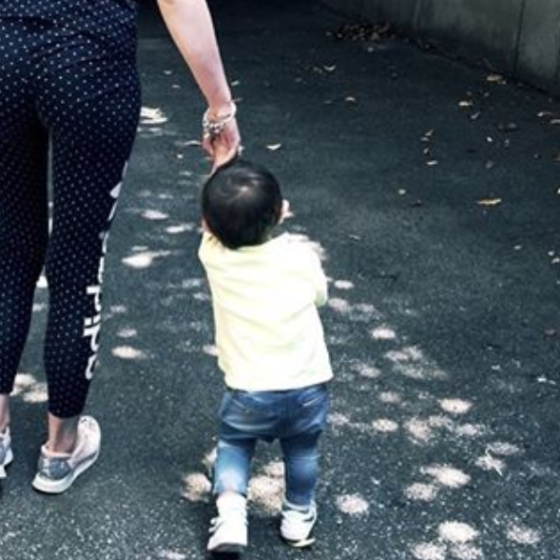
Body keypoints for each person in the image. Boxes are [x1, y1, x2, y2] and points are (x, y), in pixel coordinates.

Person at [0, 0, 240, 493]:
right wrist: (220, 108)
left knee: (6, 255)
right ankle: (60, 450)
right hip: (89, 65)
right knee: (78, 260)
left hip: (5, 53)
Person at [198, 159, 333, 553]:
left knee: (235, 447)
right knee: (303, 452)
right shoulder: (300, 256)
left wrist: (219, 161)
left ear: (209, 225)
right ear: (281, 212)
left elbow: (212, 219)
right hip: (307, 384)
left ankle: (231, 515)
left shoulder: (215, 258)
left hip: (248, 389)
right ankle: (297, 516)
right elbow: (321, 297)